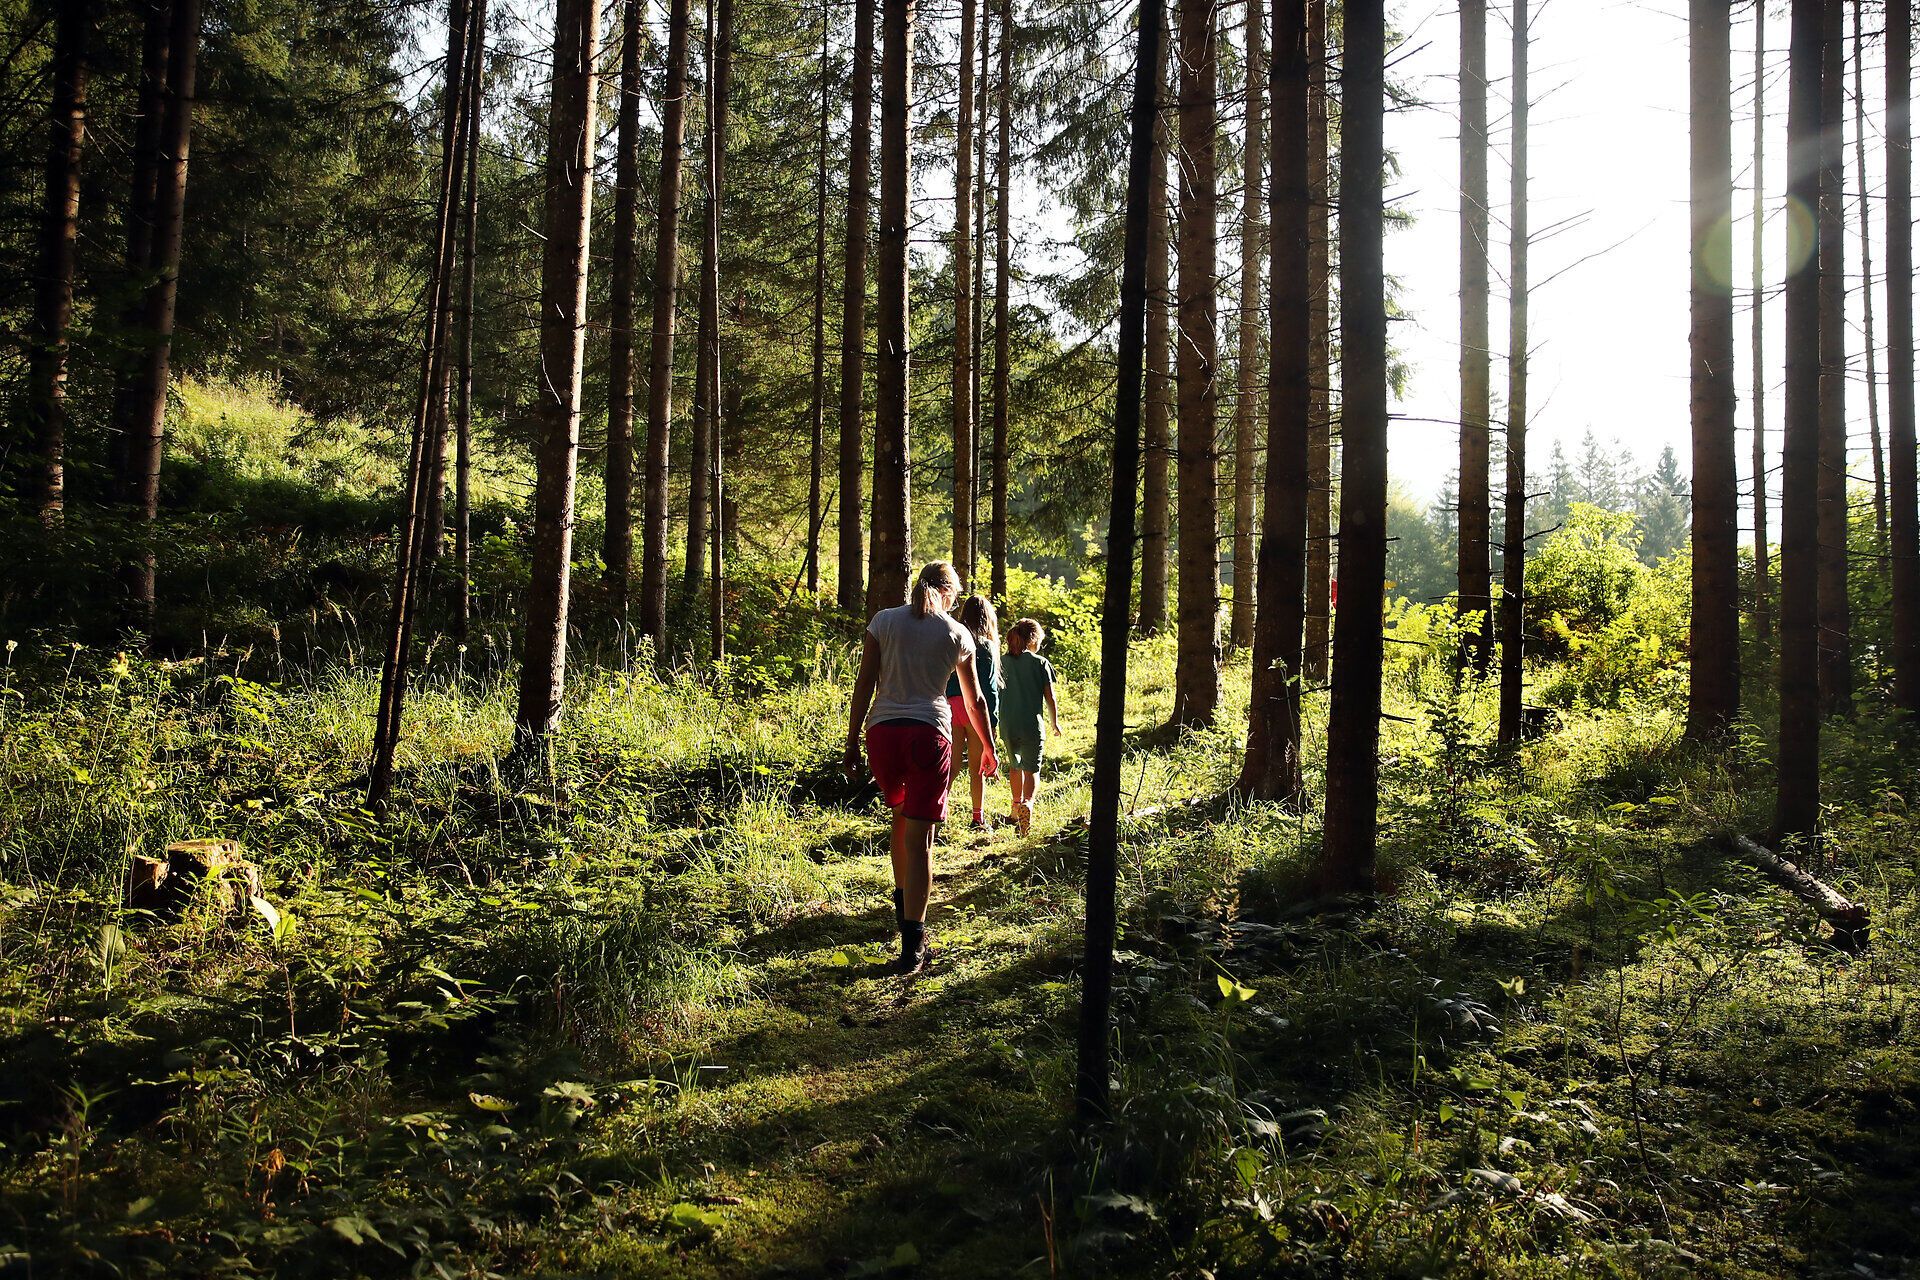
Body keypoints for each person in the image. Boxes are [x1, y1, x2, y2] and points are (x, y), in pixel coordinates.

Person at [845, 562, 999, 974]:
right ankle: (913, 946)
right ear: (949, 594)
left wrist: (851, 740)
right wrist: (988, 746)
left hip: (883, 736)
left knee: (900, 820)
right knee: (921, 840)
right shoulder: (956, 632)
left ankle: (903, 912)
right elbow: (974, 701)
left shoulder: (883, 621)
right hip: (928, 737)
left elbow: (865, 683)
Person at [943, 594, 1001, 829]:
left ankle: (938, 813)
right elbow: (990, 689)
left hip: (950, 706)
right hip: (974, 709)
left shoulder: (954, 640)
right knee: (978, 767)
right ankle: (978, 817)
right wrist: (992, 723)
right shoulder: (986, 647)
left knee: (951, 766)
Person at [999, 618, 1061, 836]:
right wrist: (1055, 722)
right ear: (1033, 639)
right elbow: (1050, 697)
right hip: (1031, 725)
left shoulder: (1001, 662)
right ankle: (1028, 803)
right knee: (1032, 768)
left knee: (1015, 766)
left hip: (1007, 723)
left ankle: (1015, 808)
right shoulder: (1040, 663)